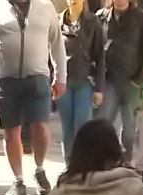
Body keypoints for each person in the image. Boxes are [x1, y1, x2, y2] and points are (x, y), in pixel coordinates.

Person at [0, 0, 68, 195]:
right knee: (11, 132)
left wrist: (61, 77)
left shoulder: (45, 6)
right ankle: (18, 181)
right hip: (5, 79)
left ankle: (40, 170)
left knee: (40, 126)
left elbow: (57, 43)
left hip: (37, 77)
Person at [96, 0, 143, 163]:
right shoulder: (101, 17)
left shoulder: (140, 18)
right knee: (105, 122)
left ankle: (127, 159)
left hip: (132, 80)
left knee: (129, 125)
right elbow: (93, 46)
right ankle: (106, 158)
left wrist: (141, 78)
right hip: (109, 79)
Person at [57, 0, 106, 161]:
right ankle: (69, 165)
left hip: (85, 81)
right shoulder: (57, 22)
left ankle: (83, 163)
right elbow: (50, 53)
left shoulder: (93, 22)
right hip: (63, 82)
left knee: (83, 126)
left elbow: (100, 57)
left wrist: (99, 88)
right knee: (67, 127)